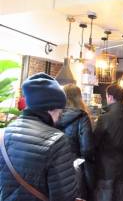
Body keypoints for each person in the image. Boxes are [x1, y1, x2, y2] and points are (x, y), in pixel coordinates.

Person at [0, 72, 78, 200]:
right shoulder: (57, 141)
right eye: (60, 110)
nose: (60, 115)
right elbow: (64, 197)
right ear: (50, 108)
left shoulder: (3, 134)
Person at [94, 83, 123, 201]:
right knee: (119, 196)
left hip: (105, 167)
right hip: (122, 164)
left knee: (104, 196)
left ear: (110, 97)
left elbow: (94, 142)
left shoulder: (105, 118)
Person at [57, 83, 95, 201]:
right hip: (76, 165)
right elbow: (87, 148)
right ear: (79, 97)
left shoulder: (54, 115)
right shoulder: (82, 117)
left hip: (56, 164)